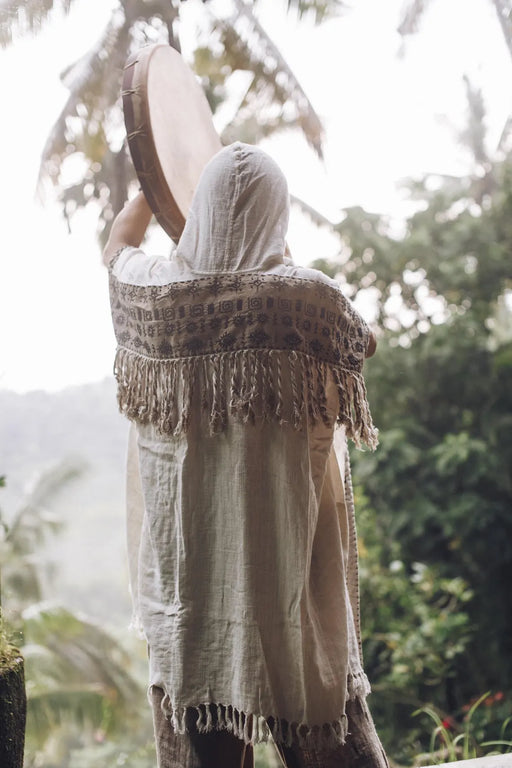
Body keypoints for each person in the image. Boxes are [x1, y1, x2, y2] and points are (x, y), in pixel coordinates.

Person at [104, 142, 387, 768]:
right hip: (286, 570)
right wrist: (282, 263)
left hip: (194, 585)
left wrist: (156, 175)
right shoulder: (307, 301)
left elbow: (116, 248)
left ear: (196, 207)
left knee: (211, 741)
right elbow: (364, 340)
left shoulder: (154, 295)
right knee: (316, 719)